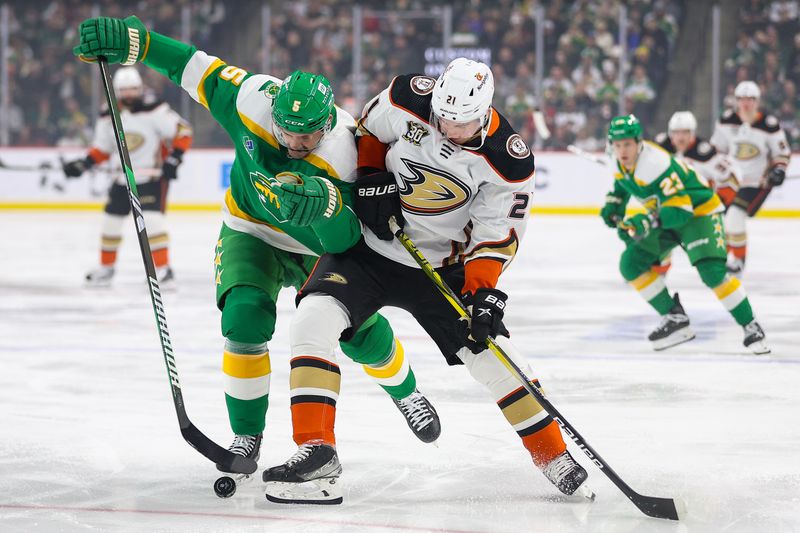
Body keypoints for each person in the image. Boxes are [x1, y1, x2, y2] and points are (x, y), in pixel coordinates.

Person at [72, 15, 440, 486]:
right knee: (243, 320)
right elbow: (192, 65)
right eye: (286, 132)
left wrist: (327, 206)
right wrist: (135, 42)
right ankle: (247, 436)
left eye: (306, 135)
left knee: (360, 331)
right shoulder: (251, 99)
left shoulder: (347, 152)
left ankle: (406, 392)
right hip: (251, 229)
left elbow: (350, 239)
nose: (294, 143)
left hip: (316, 248)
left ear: (326, 122)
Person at [261, 58, 592, 505]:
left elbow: (495, 238)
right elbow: (369, 131)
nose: (446, 129)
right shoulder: (407, 97)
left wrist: (483, 295)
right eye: (441, 118)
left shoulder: (506, 162)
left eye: (460, 124)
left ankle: (551, 455)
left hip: (442, 269)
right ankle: (317, 450)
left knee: (495, 355)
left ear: (485, 112)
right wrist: (374, 177)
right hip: (370, 247)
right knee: (311, 321)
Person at [600, 115, 769, 355]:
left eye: (627, 144)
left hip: (698, 213)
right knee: (630, 263)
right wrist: (614, 205)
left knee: (712, 273)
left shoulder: (655, 164)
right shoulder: (616, 160)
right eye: (617, 145)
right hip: (667, 213)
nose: (622, 150)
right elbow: (622, 182)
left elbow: (680, 210)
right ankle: (675, 317)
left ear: (639, 142)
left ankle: (750, 324)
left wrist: (646, 221)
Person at [62, 66, 193, 287]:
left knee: (152, 222)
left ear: (140, 88)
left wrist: (174, 158)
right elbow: (102, 149)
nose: (130, 94)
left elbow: (183, 132)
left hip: (151, 178)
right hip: (122, 179)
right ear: (116, 91)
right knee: (110, 223)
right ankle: (106, 268)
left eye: (134, 89)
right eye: (125, 90)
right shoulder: (107, 115)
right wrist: (83, 164)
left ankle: (163, 269)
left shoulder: (154, 109)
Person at [710, 81, 791, 274]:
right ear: (736, 101)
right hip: (731, 182)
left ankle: (738, 260)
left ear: (757, 102)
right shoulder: (726, 121)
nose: (746, 104)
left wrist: (778, 170)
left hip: (757, 183)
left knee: (735, 216)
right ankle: (725, 255)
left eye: (750, 99)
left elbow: (781, 152)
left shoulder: (769, 125)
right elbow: (717, 151)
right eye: (742, 99)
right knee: (719, 219)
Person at [651, 110, 741, 274]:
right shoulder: (661, 149)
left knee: (711, 242)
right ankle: (658, 269)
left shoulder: (705, 153)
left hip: (699, 208)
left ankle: (722, 263)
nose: (680, 137)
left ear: (692, 133)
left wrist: (721, 202)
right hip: (673, 206)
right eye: (676, 132)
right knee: (658, 235)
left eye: (685, 132)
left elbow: (732, 177)